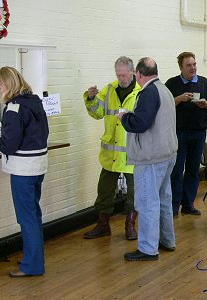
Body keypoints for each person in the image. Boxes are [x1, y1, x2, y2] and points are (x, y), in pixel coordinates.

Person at [0, 66, 49, 277]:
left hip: (23, 170)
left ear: (7, 85)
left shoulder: (14, 107)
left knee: (26, 217)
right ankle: (32, 258)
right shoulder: (34, 101)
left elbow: (9, 143)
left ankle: (32, 265)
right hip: (38, 166)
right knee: (33, 214)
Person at [118, 57, 178, 261]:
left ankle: (147, 248)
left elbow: (140, 123)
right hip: (167, 154)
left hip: (151, 157)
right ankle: (167, 240)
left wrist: (124, 117)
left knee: (147, 203)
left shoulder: (148, 92)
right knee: (163, 199)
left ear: (139, 74)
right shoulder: (164, 89)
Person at [83, 56, 141, 240]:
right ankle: (103, 225)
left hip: (132, 153)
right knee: (104, 191)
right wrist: (91, 98)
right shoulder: (109, 90)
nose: (122, 78)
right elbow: (97, 114)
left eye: (124, 75)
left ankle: (130, 225)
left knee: (134, 194)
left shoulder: (141, 92)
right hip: (110, 154)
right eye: (118, 75)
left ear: (133, 71)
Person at [165, 52, 207, 217]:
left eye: (194, 64)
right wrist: (178, 99)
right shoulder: (172, 83)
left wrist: (205, 104)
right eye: (189, 65)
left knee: (193, 169)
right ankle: (173, 206)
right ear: (181, 67)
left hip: (199, 132)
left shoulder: (204, 83)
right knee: (177, 170)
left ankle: (188, 204)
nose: (193, 68)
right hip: (178, 133)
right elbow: (163, 106)